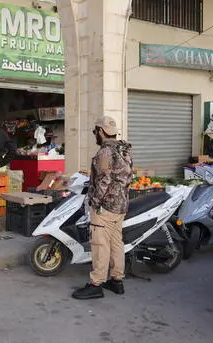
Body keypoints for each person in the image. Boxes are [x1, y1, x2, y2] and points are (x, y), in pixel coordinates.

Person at [72, 116, 133, 300]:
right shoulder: (124, 149)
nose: (95, 136)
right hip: (121, 205)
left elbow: (104, 180)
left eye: (94, 132)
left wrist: (95, 201)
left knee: (100, 244)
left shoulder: (105, 152)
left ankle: (96, 283)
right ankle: (116, 281)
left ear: (100, 131)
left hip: (105, 207)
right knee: (116, 243)